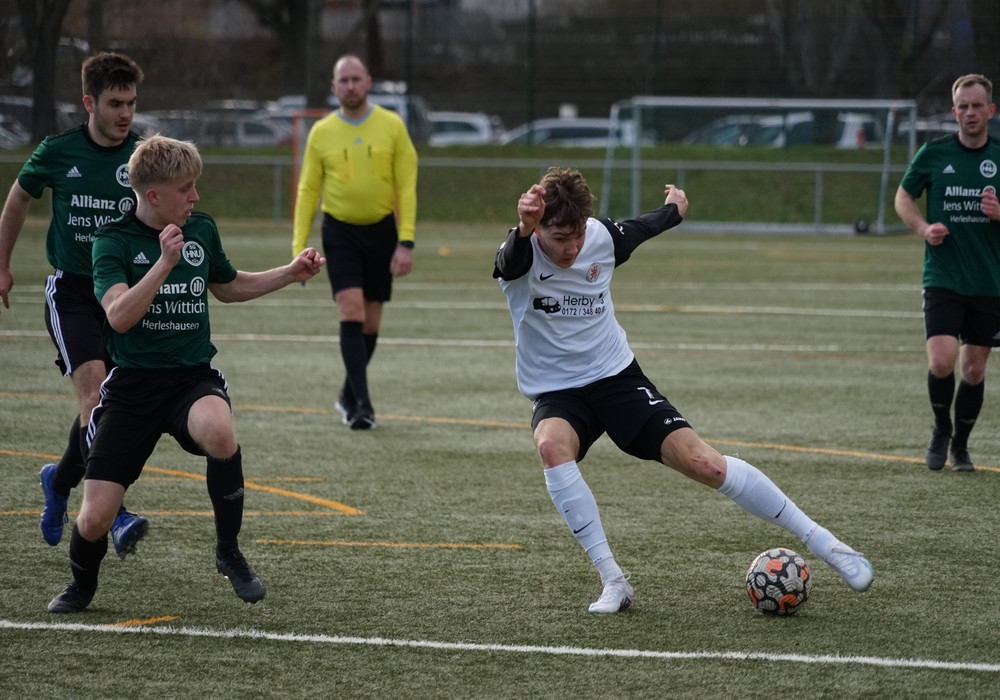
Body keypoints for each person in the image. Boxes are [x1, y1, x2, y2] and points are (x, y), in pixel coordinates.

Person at [493, 167, 874, 613]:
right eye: (560, 238)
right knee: (551, 446)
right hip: (559, 393)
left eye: (577, 236)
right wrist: (523, 227)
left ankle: (830, 546)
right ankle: (614, 581)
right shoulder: (519, 254)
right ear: (537, 227)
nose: (572, 248)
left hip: (617, 378)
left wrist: (674, 207)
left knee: (705, 464)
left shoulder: (600, 238)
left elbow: (645, 226)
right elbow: (510, 261)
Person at [46, 135, 326, 613]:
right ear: (154, 195)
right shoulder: (112, 241)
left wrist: (290, 272)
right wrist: (163, 264)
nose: (195, 196)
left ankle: (228, 551)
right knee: (94, 519)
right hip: (131, 387)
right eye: (186, 188)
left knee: (219, 430)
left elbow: (229, 286)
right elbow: (118, 316)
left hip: (190, 378)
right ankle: (82, 586)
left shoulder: (202, 229)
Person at [0, 52, 150, 554]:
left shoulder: (144, 157)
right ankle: (115, 511)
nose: (125, 113)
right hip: (72, 293)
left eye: (131, 103)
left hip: (121, 298)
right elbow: (19, 197)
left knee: (108, 404)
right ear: (89, 103)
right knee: (95, 395)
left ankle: (60, 480)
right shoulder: (58, 151)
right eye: (115, 103)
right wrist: (2, 264)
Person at [291, 54, 418, 430]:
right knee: (351, 310)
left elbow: (407, 186)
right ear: (334, 87)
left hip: (381, 232)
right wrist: (299, 246)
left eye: (355, 79)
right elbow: (308, 189)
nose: (350, 86)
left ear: (368, 82)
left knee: (370, 323)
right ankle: (362, 406)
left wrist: (406, 241)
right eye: (343, 80)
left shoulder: (392, 126)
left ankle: (347, 394)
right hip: (339, 232)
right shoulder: (322, 132)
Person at [894, 73, 1000, 473]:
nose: (970, 112)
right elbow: (903, 196)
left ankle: (962, 445)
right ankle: (941, 428)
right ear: (954, 112)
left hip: (989, 281)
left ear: (990, 110)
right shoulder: (934, 153)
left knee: (974, 369)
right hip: (943, 277)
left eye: (977, 106)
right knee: (942, 361)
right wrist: (923, 228)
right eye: (963, 106)